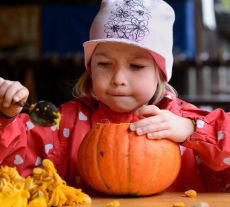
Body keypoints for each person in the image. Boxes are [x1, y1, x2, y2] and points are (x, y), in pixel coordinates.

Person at [0, 0, 229, 192]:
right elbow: (12, 168)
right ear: (90, 70)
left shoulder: (183, 121)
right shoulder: (62, 126)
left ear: (160, 74)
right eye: (105, 64)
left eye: (137, 66)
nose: (118, 78)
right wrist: (6, 116)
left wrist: (193, 130)